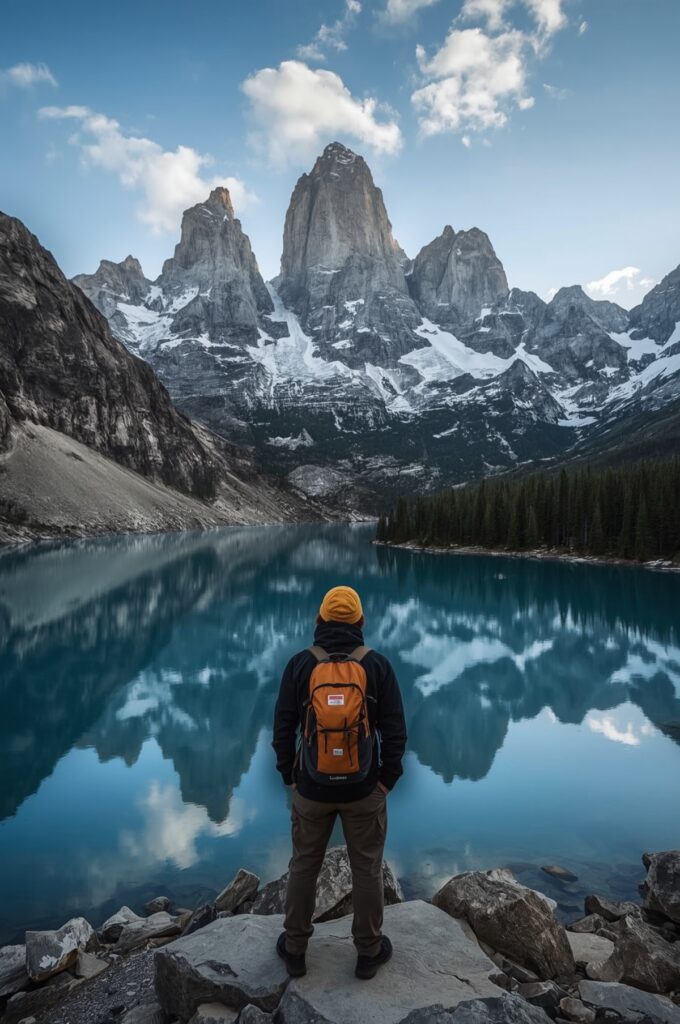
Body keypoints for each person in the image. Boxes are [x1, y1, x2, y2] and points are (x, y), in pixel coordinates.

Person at [272, 584, 407, 981]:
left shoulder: (300, 665)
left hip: (310, 789)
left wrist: (289, 777)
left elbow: (283, 729)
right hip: (364, 790)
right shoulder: (377, 666)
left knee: (304, 866)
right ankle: (368, 951)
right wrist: (387, 781)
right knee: (367, 868)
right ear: (361, 622)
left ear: (320, 620)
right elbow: (395, 732)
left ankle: (295, 948)